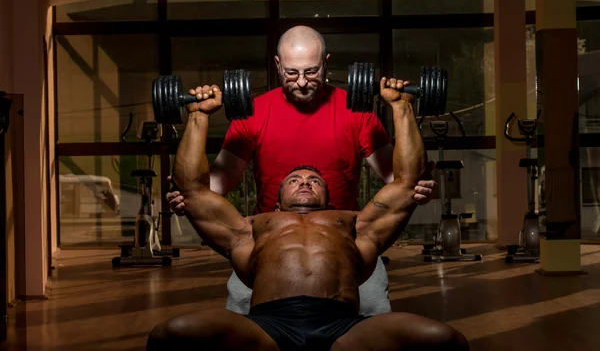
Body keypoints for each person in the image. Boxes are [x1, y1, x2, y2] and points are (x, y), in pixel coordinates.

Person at [147, 80, 468, 351]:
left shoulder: (354, 227)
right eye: (294, 180)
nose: (304, 182)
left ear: (330, 204)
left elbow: (407, 182)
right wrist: (198, 116)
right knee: (170, 334)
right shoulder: (252, 229)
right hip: (266, 326)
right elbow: (193, 190)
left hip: (343, 327)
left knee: (444, 339)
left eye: (314, 180)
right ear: (275, 205)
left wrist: (401, 106)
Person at [166, 25, 437, 316]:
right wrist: (189, 196)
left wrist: (416, 181)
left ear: (326, 63)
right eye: (292, 73)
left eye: (312, 71)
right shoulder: (252, 113)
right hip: (266, 243)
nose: (302, 82)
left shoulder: (357, 111)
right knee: (240, 324)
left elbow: (400, 181)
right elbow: (213, 188)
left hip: (348, 240)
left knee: (374, 321)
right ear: (278, 64)